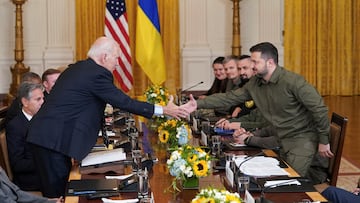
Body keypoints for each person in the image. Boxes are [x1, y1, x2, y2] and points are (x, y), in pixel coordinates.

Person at [26, 36, 189, 198]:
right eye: (116, 58)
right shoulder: (96, 73)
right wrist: (165, 110)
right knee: (59, 196)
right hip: (51, 141)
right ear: (104, 57)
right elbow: (123, 102)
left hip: (50, 138)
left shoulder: (79, 68)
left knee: (63, 192)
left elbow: (85, 104)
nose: (118, 64)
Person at [182, 42, 333, 177]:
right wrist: (197, 104)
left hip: (301, 140)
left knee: (285, 184)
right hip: (278, 140)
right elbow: (230, 97)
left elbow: (319, 109)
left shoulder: (293, 81)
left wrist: (324, 141)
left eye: (255, 62)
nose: (252, 65)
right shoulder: (256, 83)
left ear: (270, 62)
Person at [6, 82, 44, 191]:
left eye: (42, 98)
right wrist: (46, 160)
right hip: (31, 179)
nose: (43, 102)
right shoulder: (15, 126)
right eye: (38, 99)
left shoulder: (42, 119)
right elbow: (18, 164)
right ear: (25, 102)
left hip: (43, 171)